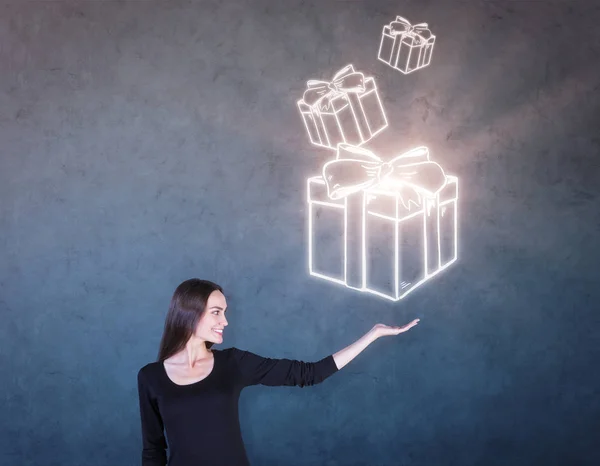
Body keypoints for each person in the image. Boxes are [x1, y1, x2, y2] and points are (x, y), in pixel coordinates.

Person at [137, 278, 420, 466]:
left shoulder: (233, 363)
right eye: (216, 312)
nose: (225, 320)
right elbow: (153, 450)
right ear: (189, 312)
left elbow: (309, 373)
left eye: (224, 312)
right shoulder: (150, 378)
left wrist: (372, 335)